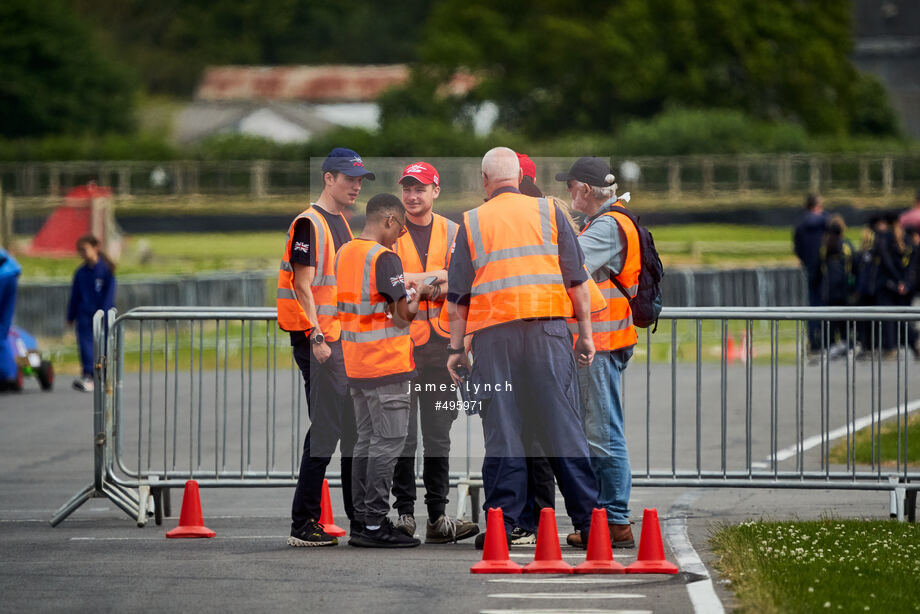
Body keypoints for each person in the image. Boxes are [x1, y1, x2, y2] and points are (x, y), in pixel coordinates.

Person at [445, 146, 600, 549]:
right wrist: (584, 334)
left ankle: (505, 524)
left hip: (495, 339)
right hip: (548, 333)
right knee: (563, 427)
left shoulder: (471, 222)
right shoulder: (550, 212)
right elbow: (578, 282)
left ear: (484, 180)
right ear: (518, 176)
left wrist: (456, 349)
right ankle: (589, 522)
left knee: (503, 430)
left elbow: (459, 297)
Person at [280, 147, 372, 547]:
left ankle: (359, 517)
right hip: (321, 342)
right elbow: (302, 285)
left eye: (359, 179)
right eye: (348, 178)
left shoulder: (342, 224)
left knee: (349, 426)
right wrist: (315, 334)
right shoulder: (310, 223)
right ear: (327, 179)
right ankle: (304, 522)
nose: (355, 185)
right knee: (330, 428)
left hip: (339, 342)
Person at [389, 162, 479, 543]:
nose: (413, 195)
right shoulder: (391, 232)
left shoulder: (453, 231)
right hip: (403, 350)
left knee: (439, 436)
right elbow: (389, 280)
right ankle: (405, 515)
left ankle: (438, 518)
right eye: (408, 188)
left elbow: (460, 279)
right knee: (404, 437)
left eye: (421, 188)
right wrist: (433, 280)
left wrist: (416, 283)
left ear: (435, 191)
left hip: (442, 351)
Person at [338, 193, 435, 548]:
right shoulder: (384, 258)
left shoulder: (345, 252)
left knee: (365, 442)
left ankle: (362, 521)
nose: (401, 237)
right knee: (388, 445)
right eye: (401, 229)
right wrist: (420, 292)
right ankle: (376, 523)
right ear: (390, 221)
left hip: (357, 365)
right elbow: (400, 316)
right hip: (387, 365)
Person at [556, 156, 638, 549]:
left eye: (570, 186)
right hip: (604, 341)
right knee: (601, 430)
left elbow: (567, 266)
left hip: (603, 343)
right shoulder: (607, 221)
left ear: (585, 190)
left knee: (603, 433)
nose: (567, 192)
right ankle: (609, 516)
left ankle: (616, 519)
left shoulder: (607, 226)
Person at [67, 235, 116, 392]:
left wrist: (104, 312)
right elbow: (75, 295)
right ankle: (89, 375)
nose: (82, 253)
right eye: (80, 250)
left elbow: (109, 294)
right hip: (85, 315)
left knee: (105, 345)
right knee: (85, 345)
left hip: (103, 315)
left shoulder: (106, 270)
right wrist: (71, 315)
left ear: (95, 248)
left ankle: (106, 375)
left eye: (84, 249)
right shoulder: (80, 273)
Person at [817, 215, 857, 359]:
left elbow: (818, 269)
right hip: (844, 291)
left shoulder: (824, 247)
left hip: (829, 291)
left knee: (831, 320)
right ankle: (847, 346)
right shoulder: (847, 246)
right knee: (845, 320)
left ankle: (831, 346)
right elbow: (855, 266)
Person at [793, 194, 827, 353]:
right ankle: (828, 340)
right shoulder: (825, 221)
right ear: (817, 206)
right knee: (827, 305)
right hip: (825, 268)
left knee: (813, 305)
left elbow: (797, 247)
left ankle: (814, 341)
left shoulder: (800, 224)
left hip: (809, 267)